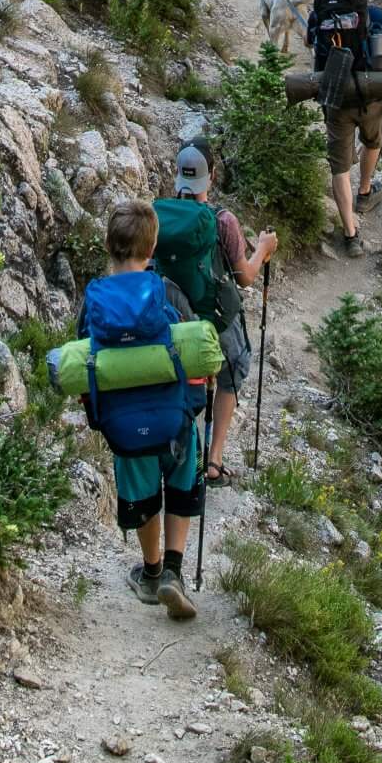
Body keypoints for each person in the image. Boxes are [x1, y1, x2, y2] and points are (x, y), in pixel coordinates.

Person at [85, 196, 202, 619]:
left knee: (143, 492)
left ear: (107, 246)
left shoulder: (94, 301)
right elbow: (194, 354)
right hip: (173, 416)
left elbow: (86, 361)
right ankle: (174, 570)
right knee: (181, 483)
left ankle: (150, 573)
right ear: (152, 249)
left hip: (123, 421)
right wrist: (192, 406)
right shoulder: (167, 291)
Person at [167, 140, 276, 486]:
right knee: (236, 365)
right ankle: (213, 460)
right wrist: (263, 249)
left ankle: (176, 452)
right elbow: (244, 276)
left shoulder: (159, 216)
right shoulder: (222, 220)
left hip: (173, 317)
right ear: (211, 176)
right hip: (213, 316)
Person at [304, 0, 382, 255]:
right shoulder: (375, 15)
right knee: (372, 141)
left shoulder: (319, 14)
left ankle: (350, 235)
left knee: (340, 166)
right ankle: (365, 191)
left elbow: (310, 44)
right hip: (371, 94)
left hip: (335, 96)